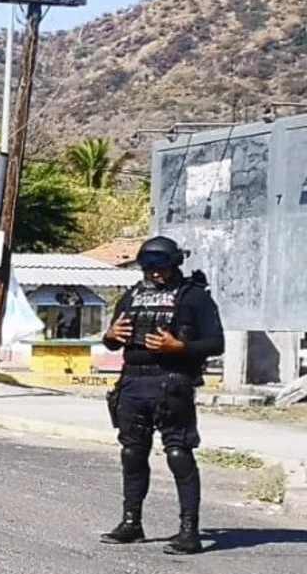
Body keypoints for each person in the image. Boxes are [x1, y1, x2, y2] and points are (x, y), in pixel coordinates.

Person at [99, 235, 224, 555]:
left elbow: (215, 343)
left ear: (174, 265)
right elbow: (114, 340)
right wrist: (110, 336)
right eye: (148, 266)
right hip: (132, 384)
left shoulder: (194, 298)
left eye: (161, 267)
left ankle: (189, 531)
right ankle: (131, 523)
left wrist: (180, 348)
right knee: (132, 453)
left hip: (172, 383)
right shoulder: (131, 296)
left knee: (179, 454)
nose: (155, 273)